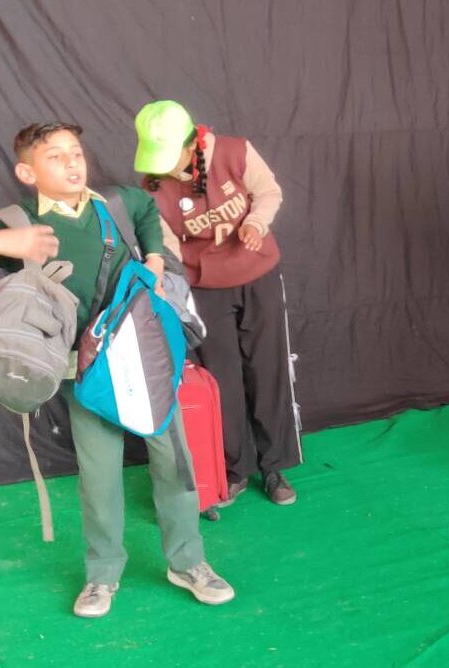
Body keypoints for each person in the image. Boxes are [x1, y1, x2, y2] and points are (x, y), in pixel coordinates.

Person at [0, 122, 234, 618]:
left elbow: (146, 208)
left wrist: (155, 257)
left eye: (76, 152)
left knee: (174, 462)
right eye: (55, 156)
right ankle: (103, 573)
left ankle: (187, 562)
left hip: (146, 359)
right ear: (27, 172)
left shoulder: (116, 204)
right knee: (100, 476)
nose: (72, 163)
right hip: (83, 372)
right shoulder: (17, 223)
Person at [133, 101, 302, 507]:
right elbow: (165, 244)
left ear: (193, 143)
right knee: (221, 377)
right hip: (204, 285)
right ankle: (234, 468)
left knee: (267, 369)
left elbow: (269, 192)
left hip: (257, 274)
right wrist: (167, 281)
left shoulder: (234, 151)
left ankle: (273, 465)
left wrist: (255, 223)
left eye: (170, 156)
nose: (163, 168)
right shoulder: (153, 187)